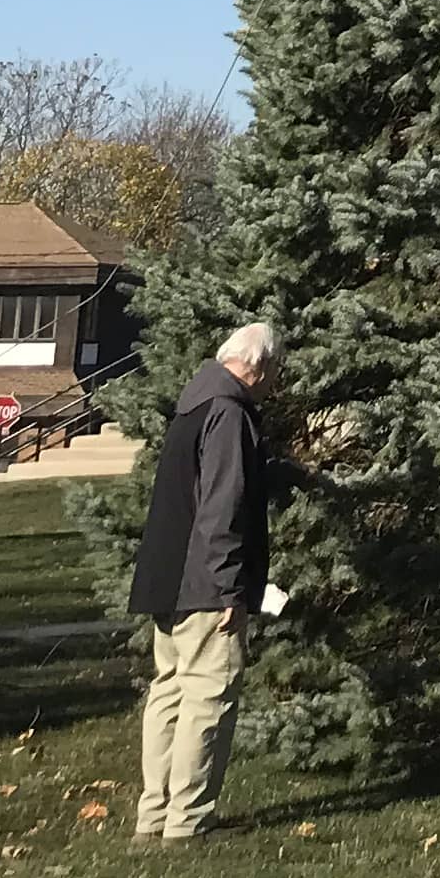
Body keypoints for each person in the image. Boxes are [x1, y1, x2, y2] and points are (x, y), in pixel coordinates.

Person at [127, 323, 285, 844]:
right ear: (258, 367)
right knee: (208, 696)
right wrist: (227, 589)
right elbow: (223, 506)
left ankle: (154, 818)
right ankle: (189, 821)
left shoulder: (193, 405)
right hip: (204, 584)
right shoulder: (229, 413)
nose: (273, 385)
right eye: (274, 373)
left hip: (165, 579)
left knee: (168, 693)